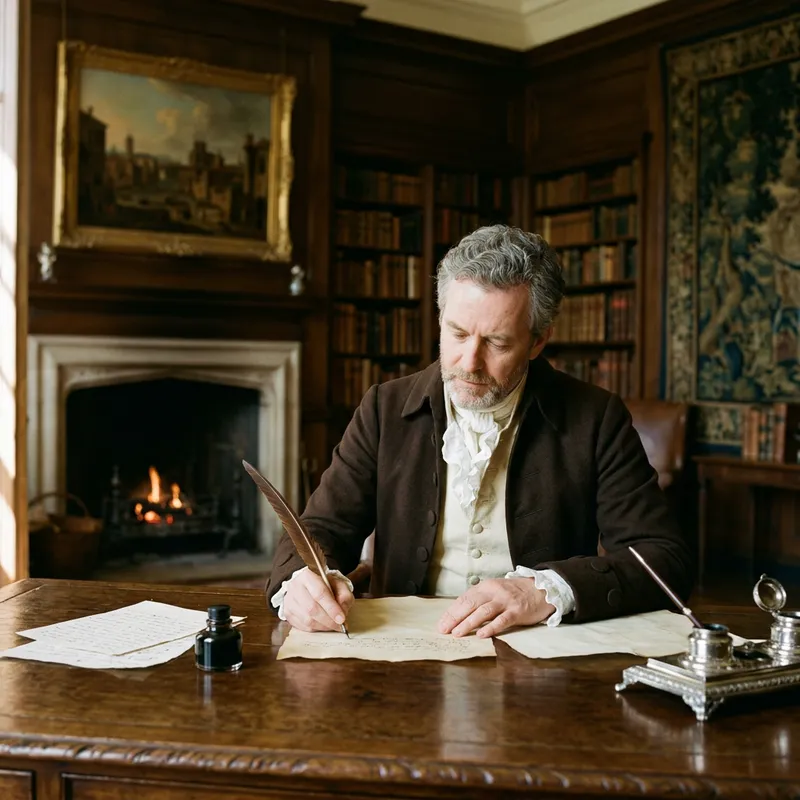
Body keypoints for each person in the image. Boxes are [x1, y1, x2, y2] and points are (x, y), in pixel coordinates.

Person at [266, 224, 694, 638]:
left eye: (498, 342)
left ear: (539, 340)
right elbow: (318, 529)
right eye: (456, 333)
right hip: (403, 652)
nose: (469, 362)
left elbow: (663, 558)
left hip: (539, 657)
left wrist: (547, 591)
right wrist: (300, 584)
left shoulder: (595, 418)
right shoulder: (384, 408)